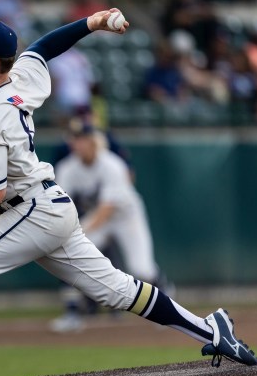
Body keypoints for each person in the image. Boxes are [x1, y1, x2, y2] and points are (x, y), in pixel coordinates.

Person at [0, 9, 257, 376]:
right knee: (118, 290)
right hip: (48, 208)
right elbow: (43, 47)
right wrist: (93, 22)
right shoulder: (19, 79)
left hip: (31, 211)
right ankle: (211, 330)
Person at [49, 121, 168, 332]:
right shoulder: (67, 168)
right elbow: (61, 205)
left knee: (142, 269)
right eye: (75, 139)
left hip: (126, 217)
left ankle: (165, 298)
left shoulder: (112, 165)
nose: (78, 144)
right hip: (99, 218)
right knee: (68, 253)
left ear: (93, 141)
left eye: (82, 139)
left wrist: (79, 232)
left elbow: (107, 209)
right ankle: (73, 312)